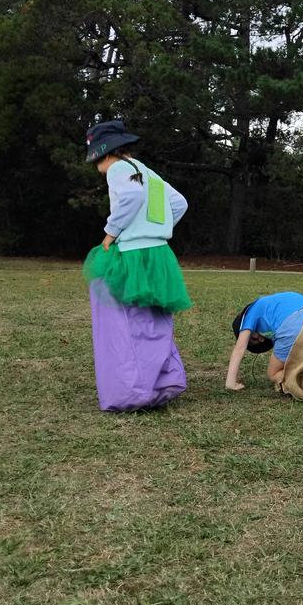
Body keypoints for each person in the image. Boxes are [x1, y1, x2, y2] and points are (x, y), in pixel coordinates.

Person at [82, 119, 190, 411]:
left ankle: (131, 390)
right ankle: (162, 383)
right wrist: (156, 228)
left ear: (105, 153)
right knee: (154, 318)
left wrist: (111, 232)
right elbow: (179, 203)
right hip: (159, 254)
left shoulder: (118, 169)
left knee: (126, 320)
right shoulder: (146, 171)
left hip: (133, 254)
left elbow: (131, 196)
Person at [225, 291, 303, 389]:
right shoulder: (268, 305)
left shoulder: (249, 314)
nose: (261, 339)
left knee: (273, 373)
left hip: (292, 325)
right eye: (260, 341)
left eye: (253, 338)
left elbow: (239, 348)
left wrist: (230, 383)